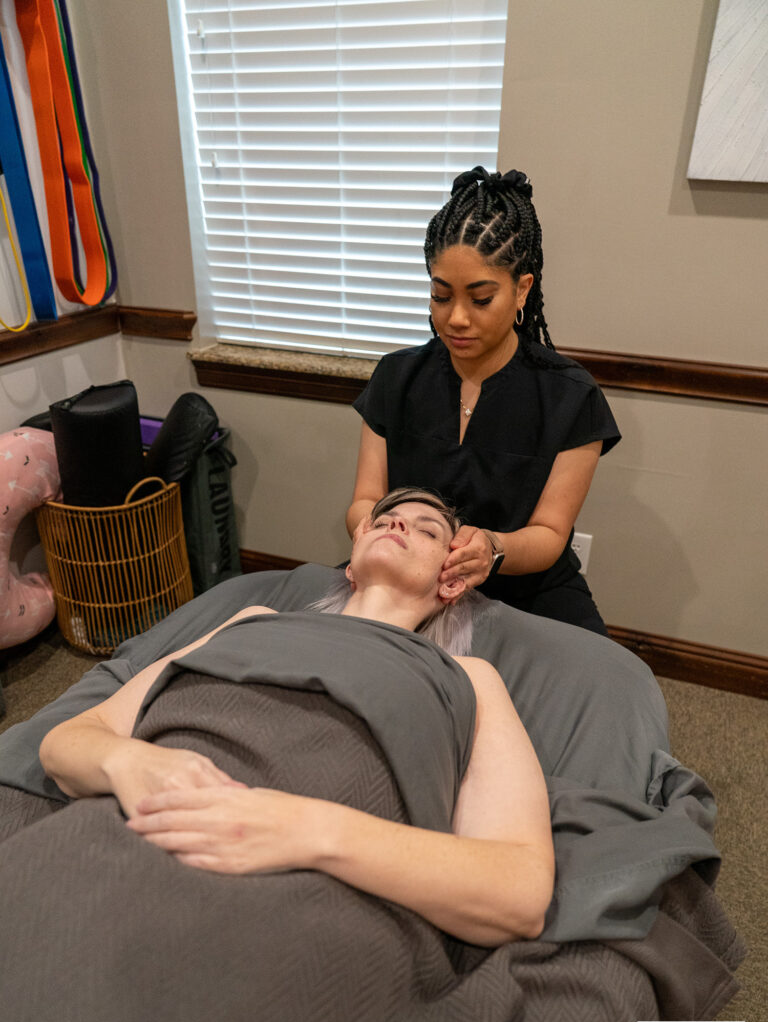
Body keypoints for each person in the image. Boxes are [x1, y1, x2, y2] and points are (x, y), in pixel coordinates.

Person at [37, 487, 555, 948]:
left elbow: (520, 889)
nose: (397, 523)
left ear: (451, 582)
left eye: (428, 530)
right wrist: (128, 762)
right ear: (350, 566)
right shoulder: (255, 620)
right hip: (138, 830)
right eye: (383, 520)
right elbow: (71, 740)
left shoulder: (467, 677)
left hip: (309, 903)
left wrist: (304, 829)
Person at [347, 166, 621, 634]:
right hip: (409, 577)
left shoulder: (570, 396)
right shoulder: (396, 377)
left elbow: (550, 535)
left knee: (598, 683)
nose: (455, 319)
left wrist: (492, 548)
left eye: (480, 299)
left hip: (526, 586)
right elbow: (366, 500)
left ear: (522, 289)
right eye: (440, 295)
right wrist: (375, 537)